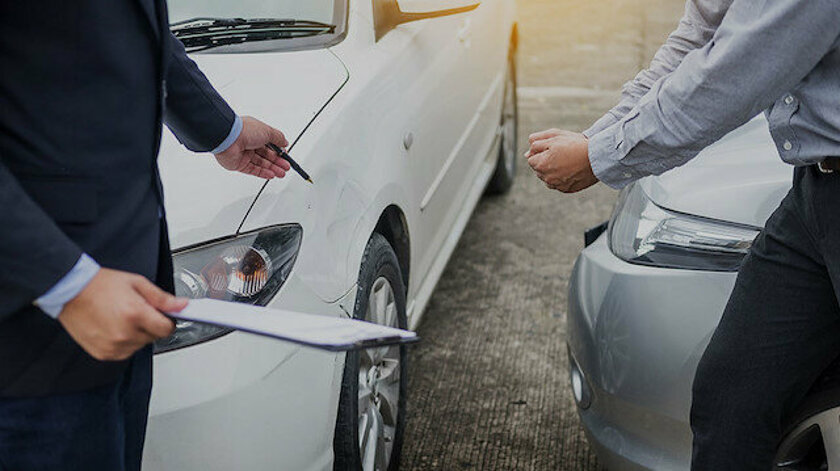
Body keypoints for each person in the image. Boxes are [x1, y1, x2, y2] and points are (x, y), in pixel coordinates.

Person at [525, 0, 840, 468]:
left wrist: (600, 158)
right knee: (732, 393)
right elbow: (700, 35)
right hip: (814, 193)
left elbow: (736, 71)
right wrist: (597, 140)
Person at [0, 1, 292, 469]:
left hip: (127, 293)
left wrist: (223, 131)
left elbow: (132, 28)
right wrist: (64, 282)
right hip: (29, 328)